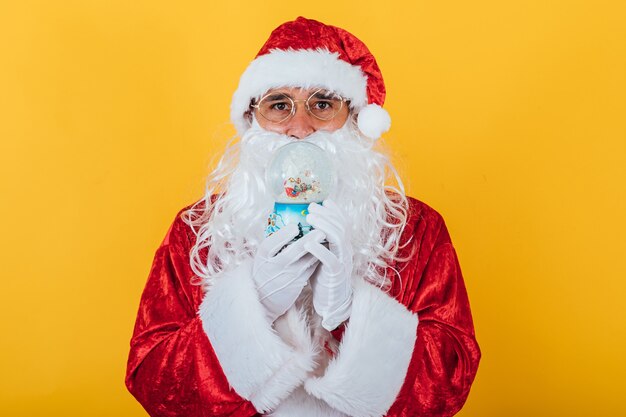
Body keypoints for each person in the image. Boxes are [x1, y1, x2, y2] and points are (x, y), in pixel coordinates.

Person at [125, 17, 481, 417]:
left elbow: (451, 380)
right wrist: (255, 304)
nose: (300, 129)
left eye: (323, 105)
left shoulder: (415, 228)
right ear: (252, 120)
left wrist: (349, 312)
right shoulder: (198, 229)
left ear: (354, 120)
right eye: (279, 106)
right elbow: (153, 381)